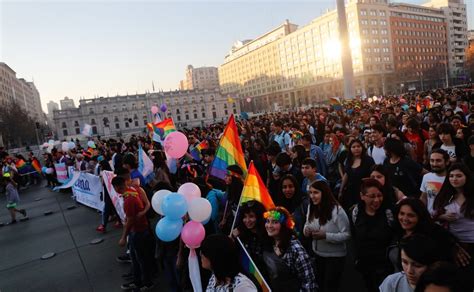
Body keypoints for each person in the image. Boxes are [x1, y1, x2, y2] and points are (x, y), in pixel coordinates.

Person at [433, 163, 474, 290]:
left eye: (458, 176)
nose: (454, 179)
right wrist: (442, 217)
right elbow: (432, 216)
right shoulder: (445, 196)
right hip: (453, 243)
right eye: (451, 176)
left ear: (466, 177)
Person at [304, 180, 350, 292]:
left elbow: (347, 235)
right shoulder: (311, 207)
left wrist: (326, 236)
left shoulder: (337, 211)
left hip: (334, 257)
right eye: (310, 193)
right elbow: (307, 223)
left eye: (316, 193)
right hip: (318, 254)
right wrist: (306, 230)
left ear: (324, 193)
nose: (312, 196)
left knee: (330, 287)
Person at [350, 178, 394, 292]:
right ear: (362, 196)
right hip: (364, 264)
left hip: (384, 266)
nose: (377, 200)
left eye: (379, 195)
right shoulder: (356, 212)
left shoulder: (388, 213)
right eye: (372, 196)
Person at [112, 176, 154, 291]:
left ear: (117, 187)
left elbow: (130, 220)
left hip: (138, 232)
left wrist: (123, 237)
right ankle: (138, 282)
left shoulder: (129, 199)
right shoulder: (132, 190)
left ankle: (146, 283)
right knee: (136, 259)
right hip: (139, 231)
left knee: (140, 260)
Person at [263, 206, 317, 292]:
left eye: (275, 222)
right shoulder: (269, 242)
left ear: (284, 226)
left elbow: (309, 284)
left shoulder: (296, 249)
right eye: (268, 221)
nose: (269, 226)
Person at [231, 200, 269, 273]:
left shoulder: (268, 234)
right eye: (245, 217)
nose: (247, 220)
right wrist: (232, 239)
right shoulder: (240, 234)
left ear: (259, 217)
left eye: (251, 216)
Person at [339, 139, 375, 209]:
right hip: (350, 192)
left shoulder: (369, 160)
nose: (356, 149)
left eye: (358, 146)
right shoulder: (349, 160)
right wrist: (341, 190)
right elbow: (346, 174)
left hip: (364, 192)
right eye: (354, 147)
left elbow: (372, 176)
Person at [420, 149, 449, 216]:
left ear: (447, 162)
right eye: (432, 160)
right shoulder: (426, 177)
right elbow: (423, 197)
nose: (434, 164)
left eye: (438, 161)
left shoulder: (452, 178)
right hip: (431, 219)